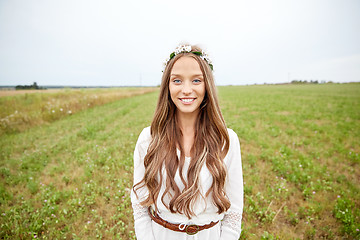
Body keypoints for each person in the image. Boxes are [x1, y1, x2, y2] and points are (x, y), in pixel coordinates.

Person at [131, 44, 243, 240]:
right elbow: (140, 205)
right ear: (167, 86)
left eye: (196, 80)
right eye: (177, 80)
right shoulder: (149, 138)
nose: (186, 89)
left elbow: (234, 209)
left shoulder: (227, 139)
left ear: (207, 85)